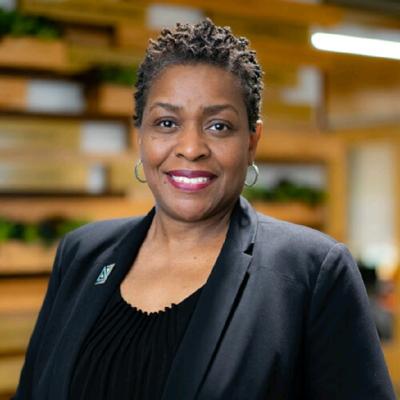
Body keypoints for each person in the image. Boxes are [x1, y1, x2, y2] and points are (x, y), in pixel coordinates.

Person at [14, 18, 395, 400]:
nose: (191, 148)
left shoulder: (312, 272)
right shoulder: (82, 254)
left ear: (252, 141)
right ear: (141, 136)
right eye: (167, 122)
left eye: (218, 126)